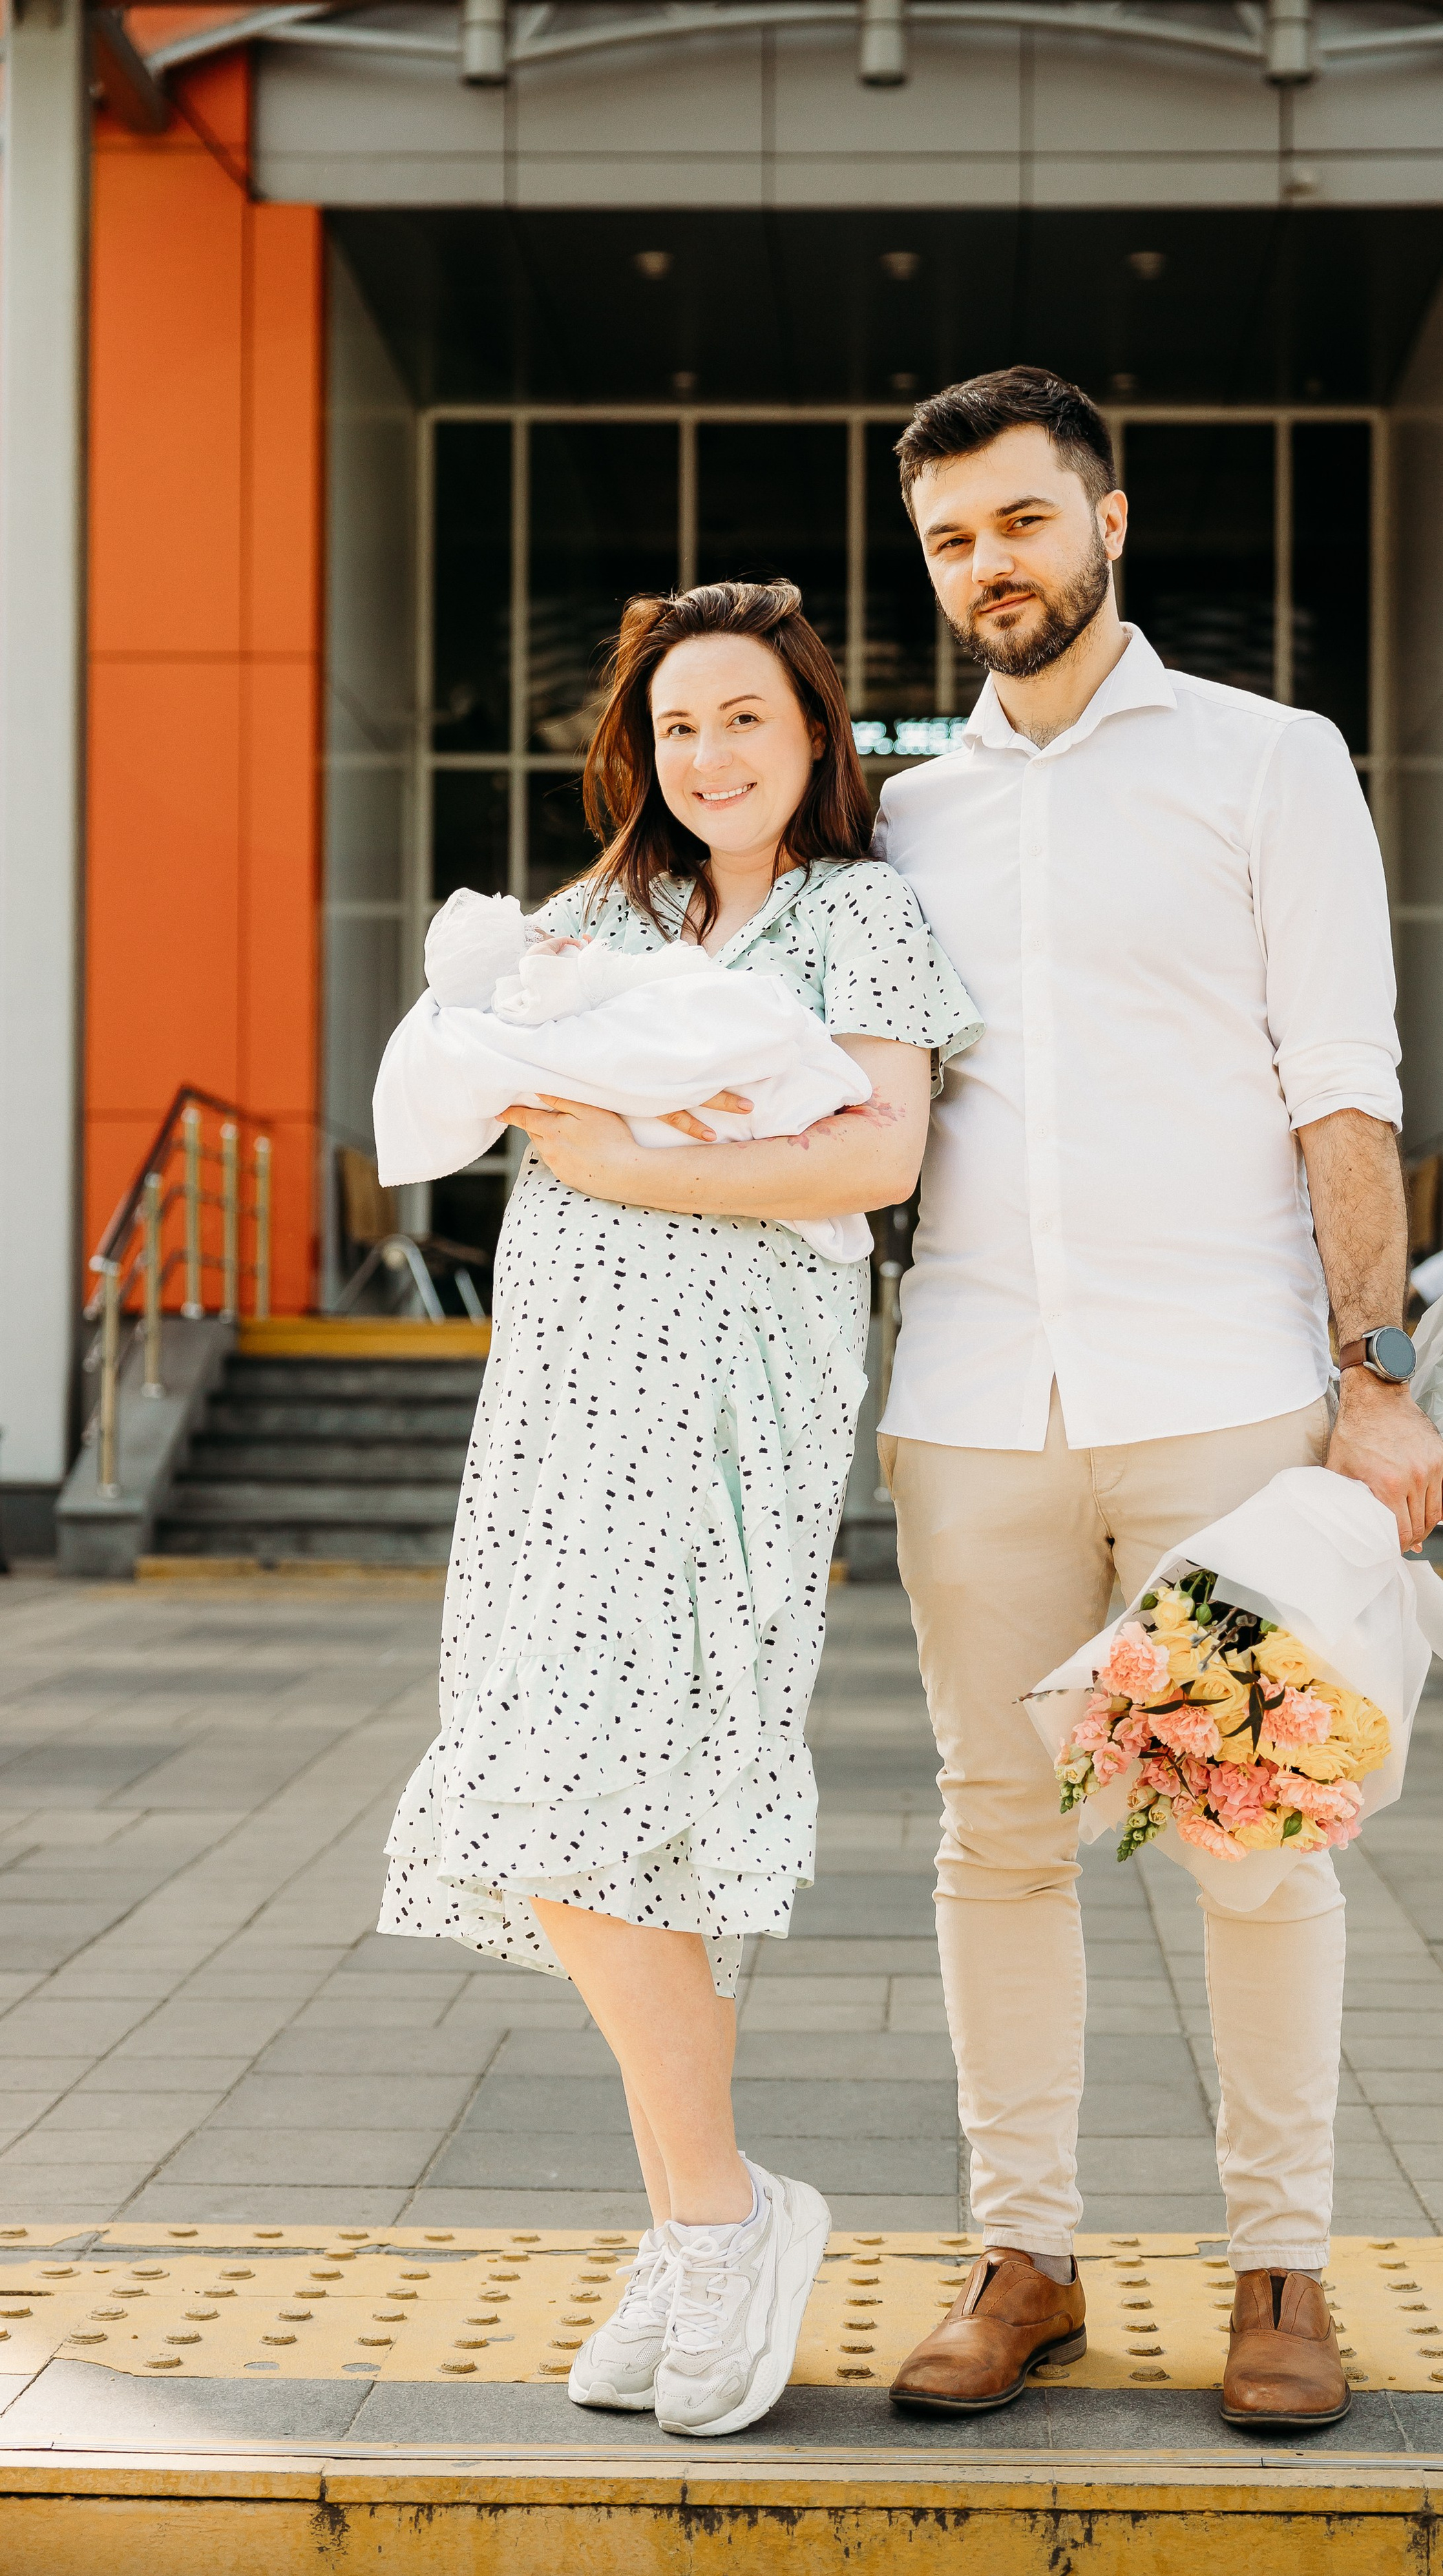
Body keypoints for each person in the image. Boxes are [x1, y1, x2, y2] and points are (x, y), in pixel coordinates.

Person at [870, 367, 1443, 2430]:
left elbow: (1343, 1084)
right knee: (993, 1835)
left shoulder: (1264, 760)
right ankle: (1024, 2252)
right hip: (968, 1400)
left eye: (1021, 521)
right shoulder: (908, 814)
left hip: (1214, 1386)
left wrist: (1368, 1380)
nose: (986, 567)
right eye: (951, 538)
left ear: (1107, 516)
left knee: (1244, 1832)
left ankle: (1277, 2268)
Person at [378, 579, 980, 2439]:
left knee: (630, 1786)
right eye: (677, 725)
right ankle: (700, 2217)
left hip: (732, 1402)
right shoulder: (596, 917)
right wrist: (668, 1130)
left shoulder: (860, 912)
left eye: (746, 718)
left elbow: (875, 1151)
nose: (709, 753)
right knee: (568, 1792)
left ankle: (716, 2219)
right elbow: (476, 1084)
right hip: (558, 1386)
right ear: (635, 752)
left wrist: (638, 1145)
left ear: (814, 739)